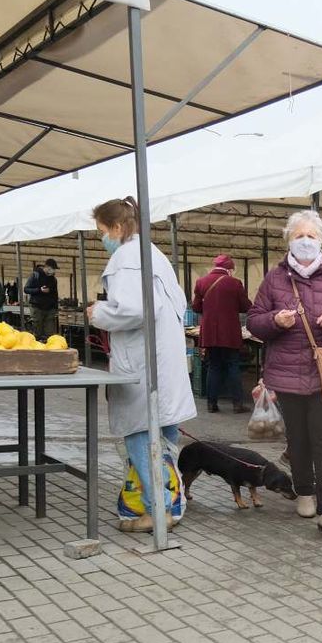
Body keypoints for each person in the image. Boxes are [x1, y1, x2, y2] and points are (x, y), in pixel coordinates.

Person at [248, 210, 322, 540]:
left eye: (312, 235)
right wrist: (274, 321)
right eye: (299, 235)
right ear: (288, 240)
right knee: (298, 441)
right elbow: (254, 321)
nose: (306, 241)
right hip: (286, 374)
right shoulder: (274, 279)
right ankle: (304, 491)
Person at [87, 196, 196, 534]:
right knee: (165, 434)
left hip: (144, 365)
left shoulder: (126, 259)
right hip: (163, 359)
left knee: (138, 434)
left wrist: (98, 312)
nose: (102, 238)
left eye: (102, 231)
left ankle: (158, 509)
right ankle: (171, 503)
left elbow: (134, 310)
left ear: (117, 228)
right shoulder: (152, 254)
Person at [192, 254, 252, 414]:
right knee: (233, 366)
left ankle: (212, 404)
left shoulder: (201, 282)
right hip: (230, 333)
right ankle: (237, 404)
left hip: (210, 333)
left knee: (214, 366)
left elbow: (196, 308)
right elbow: (246, 306)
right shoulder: (235, 283)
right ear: (229, 269)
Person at [25, 260, 61, 340]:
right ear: (47, 267)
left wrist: (55, 308)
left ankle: (48, 347)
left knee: (49, 333)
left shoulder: (53, 279)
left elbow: (55, 294)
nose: (53, 271)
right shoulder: (35, 275)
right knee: (37, 331)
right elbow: (26, 289)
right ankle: (37, 347)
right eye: (53, 268)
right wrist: (39, 290)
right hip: (37, 307)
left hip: (50, 309)